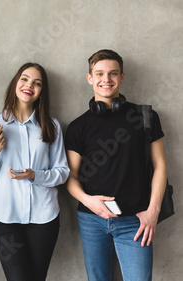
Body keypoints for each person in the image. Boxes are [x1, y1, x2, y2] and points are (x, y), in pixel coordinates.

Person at [65, 49, 168, 280]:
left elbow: (160, 165)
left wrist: (153, 211)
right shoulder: (78, 126)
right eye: (99, 73)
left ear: (122, 77)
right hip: (91, 219)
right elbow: (70, 177)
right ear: (90, 78)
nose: (106, 79)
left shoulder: (145, 117)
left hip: (136, 219)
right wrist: (88, 201)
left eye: (113, 74)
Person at [0, 63, 70, 280]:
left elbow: (63, 172)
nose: (29, 85)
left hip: (44, 217)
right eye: (25, 79)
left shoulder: (51, 126)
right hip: (7, 217)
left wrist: (34, 175)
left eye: (37, 83)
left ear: (41, 92)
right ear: (15, 83)